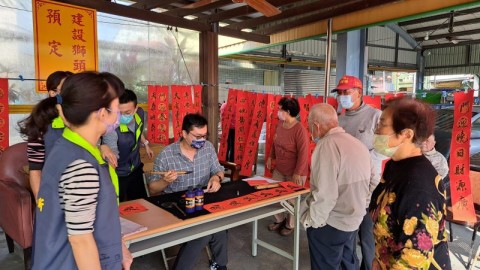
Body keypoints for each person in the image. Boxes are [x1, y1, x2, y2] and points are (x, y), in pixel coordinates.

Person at [32, 71, 132, 269]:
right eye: (116, 108)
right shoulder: (81, 166)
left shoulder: (66, 146)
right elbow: (81, 240)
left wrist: (119, 246)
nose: (119, 114)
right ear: (103, 113)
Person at [370, 97, 451, 270]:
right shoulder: (395, 164)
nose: (376, 131)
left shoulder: (418, 185)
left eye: (382, 125)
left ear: (406, 134)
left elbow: (414, 258)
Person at [148, 113, 228, 270]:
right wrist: (165, 181)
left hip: (202, 201)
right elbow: (152, 189)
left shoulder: (208, 148)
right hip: (176, 207)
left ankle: (219, 264)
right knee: (204, 233)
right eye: (197, 136)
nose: (201, 140)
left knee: (221, 222)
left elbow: (218, 170)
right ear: (184, 133)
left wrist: (216, 178)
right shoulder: (167, 154)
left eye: (204, 136)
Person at [301, 103, 371, 270]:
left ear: (316, 126)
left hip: (332, 223)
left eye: (310, 126)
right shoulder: (357, 143)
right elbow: (372, 181)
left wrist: (312, 222)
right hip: (354, 219)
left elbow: (325, 194)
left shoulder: (326, 145)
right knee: (348, 262)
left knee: (326, 265)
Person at [334, 74, 385, 270]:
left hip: (367, 186)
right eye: (340, 93)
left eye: (346, 92)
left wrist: (361, 162)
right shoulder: (341, 120)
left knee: (367, 234)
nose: (342, 97)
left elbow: (382, 149)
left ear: (359, 93)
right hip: (344, 185)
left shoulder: (375, 116)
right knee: (347, 232)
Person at [19, 71, 72, 199]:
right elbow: (35, 168)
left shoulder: (83, 120)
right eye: (66, 89)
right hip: (53, 191)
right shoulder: (41, 123)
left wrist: (103, 147)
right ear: (53, 93)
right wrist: (40, 203)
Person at [266, 97, 309, 236]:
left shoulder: (299, 129)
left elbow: (304, 153)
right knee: (274, 195)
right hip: (280, 168)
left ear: (288, 111)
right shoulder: (280, 124)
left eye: (280, 109)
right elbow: (275, 142)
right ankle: (279, 219)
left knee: (291, 200)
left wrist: (297, 173)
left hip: (295, 171)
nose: (278, 111)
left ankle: (290, 224)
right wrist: (270, 156)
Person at [101, 89, 153, 202]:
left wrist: (145, 143)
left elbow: (138, 130)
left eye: (127, 113)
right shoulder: (111, 130)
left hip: (136, 167)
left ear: (135, 109)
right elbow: (113, 158)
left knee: (143, 204)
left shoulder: (140, 114)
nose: (121, 116)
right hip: (119, 174)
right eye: (119, 113)